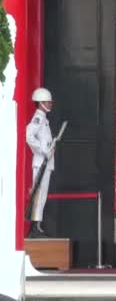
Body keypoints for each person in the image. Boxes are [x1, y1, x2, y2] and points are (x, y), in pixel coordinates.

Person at [25, 88, 55, 238]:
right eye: (49, 101)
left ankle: (37, 225)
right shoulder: (38, 117)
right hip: (40, 162)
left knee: (42, 195)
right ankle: (34, 227)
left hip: (46, 163)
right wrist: (43, 151)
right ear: (41, 103)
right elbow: (28, 136)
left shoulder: (44, 119)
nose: (51, 104)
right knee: (39, 195)